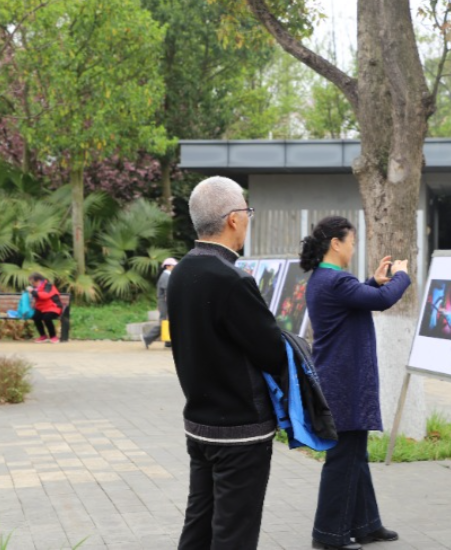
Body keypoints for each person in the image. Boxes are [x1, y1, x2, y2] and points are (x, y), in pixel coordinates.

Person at [167, 176, 286, 550]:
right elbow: (272, 352)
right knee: (234, 534)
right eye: (248, 211)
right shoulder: (232, 279)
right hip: (240, 429)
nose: (248, 219)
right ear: (234, 218)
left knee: (199, 526)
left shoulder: (180, 272)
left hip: (199, 424)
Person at [300, 216, 410, 550]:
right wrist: (402, 275)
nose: (352, 249)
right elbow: (381, 300)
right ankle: (328, 534)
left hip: (339, 379)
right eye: (351, 242)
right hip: (343, 382)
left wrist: (373, 282)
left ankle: (366, 525)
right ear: (336, 243)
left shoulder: (324, 279)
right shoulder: (336, 280)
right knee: (344, 459)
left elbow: (360, 297)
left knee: (354, 456)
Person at [141, 257, 177, 349]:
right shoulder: (166, 276)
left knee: (168, 322)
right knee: (164, 322)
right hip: (165, 302)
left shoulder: (167, 275)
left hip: (164, 302)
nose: (175, 267)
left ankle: (168, 342)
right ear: (168, 266)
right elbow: (167, 292)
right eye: (173, 266)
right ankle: (147, 338)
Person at [27, 272, 63, 343]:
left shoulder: (48, 286)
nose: (32, 284)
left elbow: (45, 295)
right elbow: (36, 298)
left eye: (33, 282)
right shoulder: (36, 288)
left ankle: (53, 336)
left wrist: (33, 292)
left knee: (46, 318)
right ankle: (43, 336)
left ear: (38, 280)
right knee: (35, 317)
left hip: (54, 307)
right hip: (42, 308)